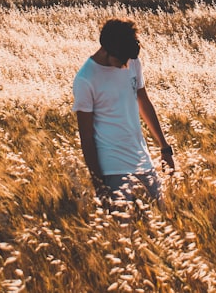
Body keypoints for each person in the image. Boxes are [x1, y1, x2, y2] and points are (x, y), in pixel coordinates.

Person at [72, 18, 175, 206]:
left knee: (163, 213)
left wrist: (164, 147)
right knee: (122, 229)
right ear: (105, 50)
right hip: (112, 166)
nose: (126, 65)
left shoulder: (132, 61)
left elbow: (144, 102)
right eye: (122, 60)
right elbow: (86, 136)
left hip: (141, 158)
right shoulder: (86, 79)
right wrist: (99, 184)